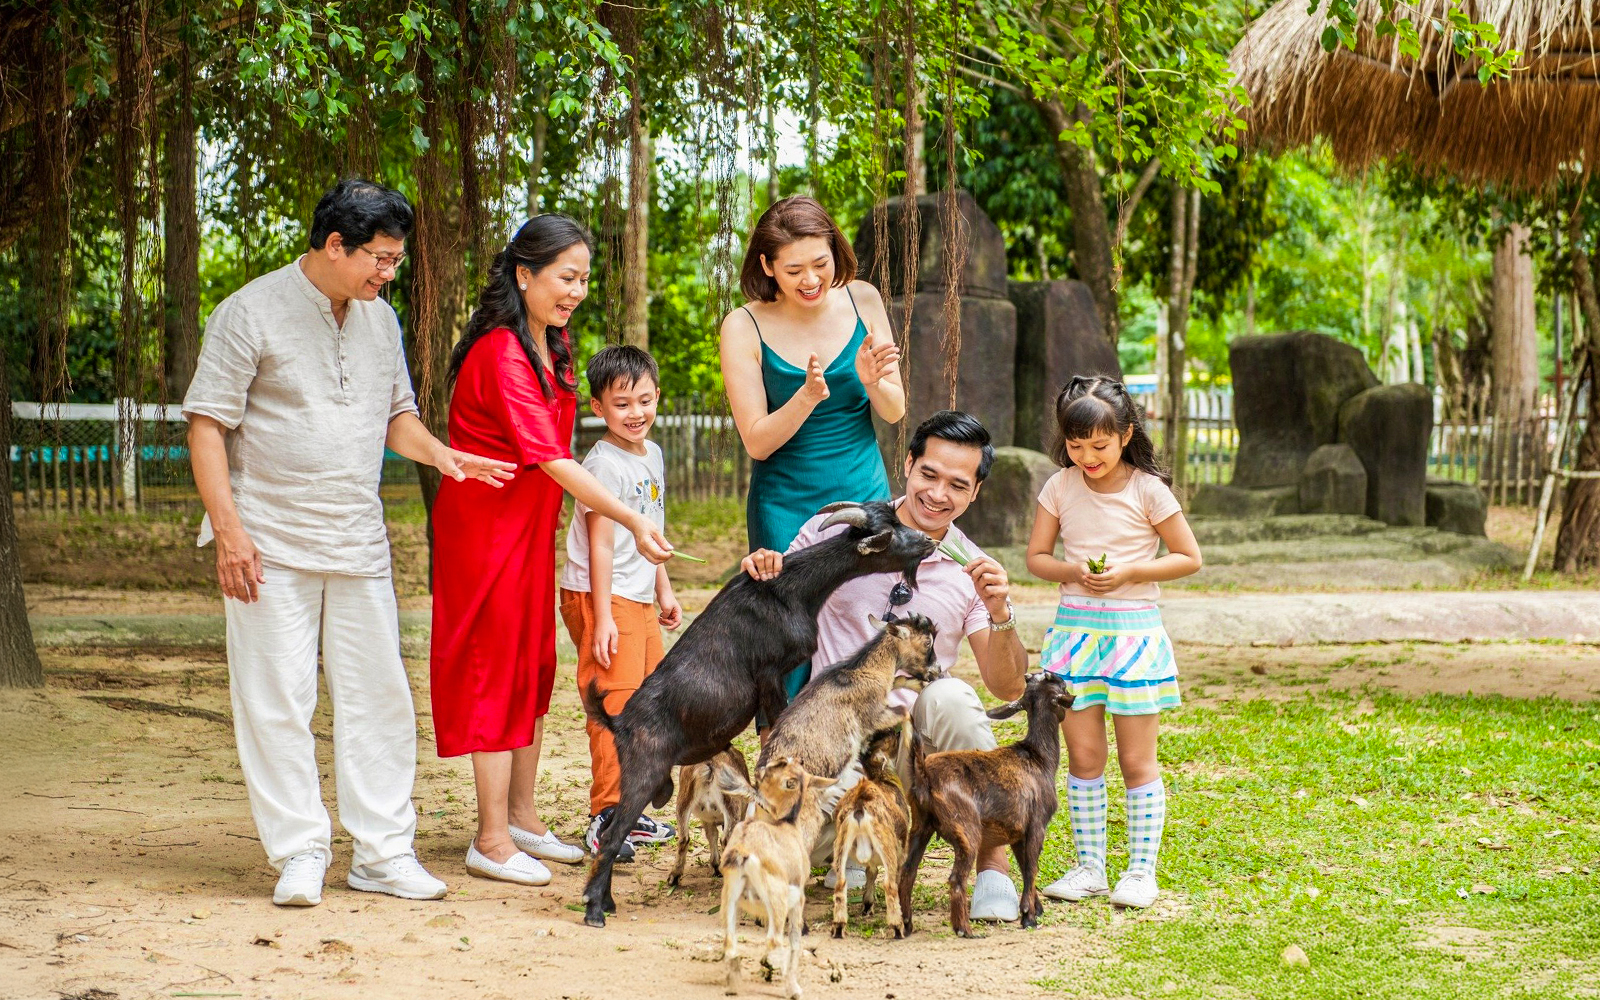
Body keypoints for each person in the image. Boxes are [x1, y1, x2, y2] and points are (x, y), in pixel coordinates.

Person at [185, 178, 512, 907]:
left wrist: (443, 455)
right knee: (277, 700)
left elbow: (395, 415)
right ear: (336, 246)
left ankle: (382, 852)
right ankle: (300, 851)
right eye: (381, 260)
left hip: (356, 537)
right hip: (268, 538)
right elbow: (206, 424)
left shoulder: (379, 321)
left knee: (380, 699)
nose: (389, 274)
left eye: (395, 261)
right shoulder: (249, 311)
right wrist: (230, 533)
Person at [429, 216, 673, 888]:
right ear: (523, 274)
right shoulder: (501, 353)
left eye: (584, 279)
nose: (576, 291)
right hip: (485, 531)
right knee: (494, 668)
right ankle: (490, 837)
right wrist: (627, 516)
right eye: (566, 277)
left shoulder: (553, 344)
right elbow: (551, 456)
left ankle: (523, 819)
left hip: (530, 529)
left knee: (530, 668)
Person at [739, 410, 1030, 921]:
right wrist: (764, 570)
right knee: (763, 867)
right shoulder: (841, 528)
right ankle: (848, 849)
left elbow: (1006, 685)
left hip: (910, 754)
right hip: (831, 743)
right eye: (929, 475)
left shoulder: (972, 569)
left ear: (974, 493)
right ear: (908, 463)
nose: (939, 494)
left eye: (957, 485)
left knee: (953, 698)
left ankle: (993, 867)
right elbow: (775, 605)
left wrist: (1001, 613)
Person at [1024, 375, 1202, 910]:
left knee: (1136, 761)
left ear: (1126, 435)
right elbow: (1036, 558)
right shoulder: (1059, 486)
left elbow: (1188, 556)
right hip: (1074, 636)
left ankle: (1141, 872)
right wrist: (1073, 568)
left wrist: (1129, 573)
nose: (1086, 456)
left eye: (1098, 445)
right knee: (1082, 758)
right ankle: (1089, 868)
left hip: (1133, 638)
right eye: (1075, 446)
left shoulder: (1149, 489)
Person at [720, 195, 905, 703]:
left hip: (862, 494)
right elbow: (757, 440)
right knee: (789, 646)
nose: (811, 280)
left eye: (820, 264)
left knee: (866, 632)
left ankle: (862, 772)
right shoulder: (744, 325)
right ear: (767, 266)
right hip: (784, 503)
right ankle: (784, 768)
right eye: (794, 269)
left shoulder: (863, 299)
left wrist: (872, 382)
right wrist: (805, 397)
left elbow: (894, 410)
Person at [556, 345, 682, 860]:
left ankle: (632, 811)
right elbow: (602, 541)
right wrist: (603, 617)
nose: (637, 413)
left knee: (650, 705)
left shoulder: (651, 454)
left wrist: (663, 588)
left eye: (645, 400)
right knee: (616, 704)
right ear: (597, 408)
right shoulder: (602, 465)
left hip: (638, 595)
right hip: (602, 596)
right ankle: (606, 815)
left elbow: (649, 532)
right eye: (623, 403)